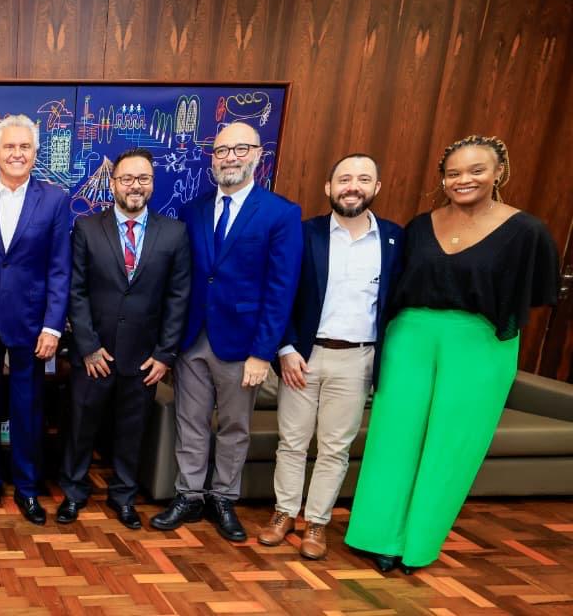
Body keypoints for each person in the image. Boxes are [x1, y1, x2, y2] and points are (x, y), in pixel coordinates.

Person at [345, 136, 558, 574]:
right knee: (393, 438)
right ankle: (377, 536)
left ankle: (418, 544)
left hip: (479, 344)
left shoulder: (527, 231)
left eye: (476, 170)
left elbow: (534, 296)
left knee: (452, 445)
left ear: (498, 172)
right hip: (409, 338)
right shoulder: (420, 226)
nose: (464, 180)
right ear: (443, 179)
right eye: (453, 173)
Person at [150, 121, 302, 542]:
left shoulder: (280, 213)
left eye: (240, 149)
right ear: (212, 158)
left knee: (235, 427)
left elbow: (281, 289)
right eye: (221, 151)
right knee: (190, 423)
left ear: (257, 154)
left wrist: (263, 352)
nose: (230, 157)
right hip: (192, 338)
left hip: (242, 345)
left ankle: (223, 498)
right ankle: (189, 495)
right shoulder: (193, 210)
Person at [258, 154, 402, 559]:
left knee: (335, 447)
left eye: (363, 179)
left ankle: (317, 522)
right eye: (344, 179)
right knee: (292, 441)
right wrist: (285, 349)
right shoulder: (304, 234)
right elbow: (279, 293)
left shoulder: (394, 239)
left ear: (376, 187)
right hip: (303, 357)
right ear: (329, 187)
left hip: (357, 359)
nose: (352, 186)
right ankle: (284, 513)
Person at [59, 148, 190, 530]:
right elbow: (76, 291)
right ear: (113, 183)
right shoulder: (87, 228)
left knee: (132, 432)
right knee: (80, 428)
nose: (135, 185)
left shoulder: (174, 233)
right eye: (127, 178)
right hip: (93, 355)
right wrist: (88, 346)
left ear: (152, 183)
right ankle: (73, 493)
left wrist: (164, 355)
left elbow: (178, 297)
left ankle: (124, 497)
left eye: (143, 178)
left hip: (144, 357)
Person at [0, 114, 71, 525]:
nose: (17, 153)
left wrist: (53, 326)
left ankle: (26, 489)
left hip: (31, 324)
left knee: (27, 410)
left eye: (25, 147)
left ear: (35, 154)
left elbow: (60, 268)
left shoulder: (54, 200)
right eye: (9, 146)